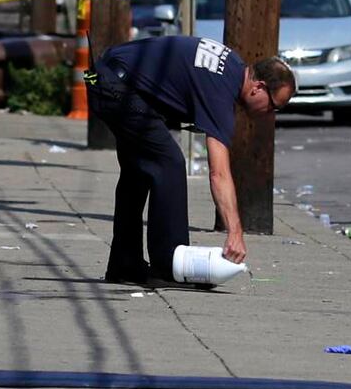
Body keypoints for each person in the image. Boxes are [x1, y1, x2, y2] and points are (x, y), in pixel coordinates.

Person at [84, 35, 296, 284]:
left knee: (138, 173)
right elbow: (219, 172)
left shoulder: (230, 68)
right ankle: (170, 262)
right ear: (258, 87)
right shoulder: (221, 90)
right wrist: (235, 232)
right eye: (274, 106)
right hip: (113, 85)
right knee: (169, 164)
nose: (270, 115)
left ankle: (125, 265)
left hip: (106, 77)